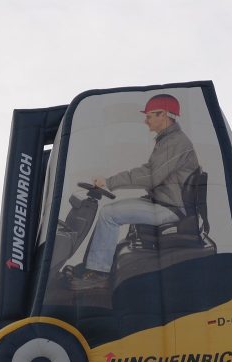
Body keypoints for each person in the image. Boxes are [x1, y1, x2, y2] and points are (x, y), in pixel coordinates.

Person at [68, 93, 200, 291]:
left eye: (149, 116)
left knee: (109, 214)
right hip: (163, 202)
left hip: (171, 208)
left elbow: (151, 176)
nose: (145, 121)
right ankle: (93, 266)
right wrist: (111, 182)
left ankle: (99, 274)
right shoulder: (167, 140)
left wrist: (110, 181)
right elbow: (150, 170)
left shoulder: (175, 142)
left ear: (163, 114)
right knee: (110, 211)